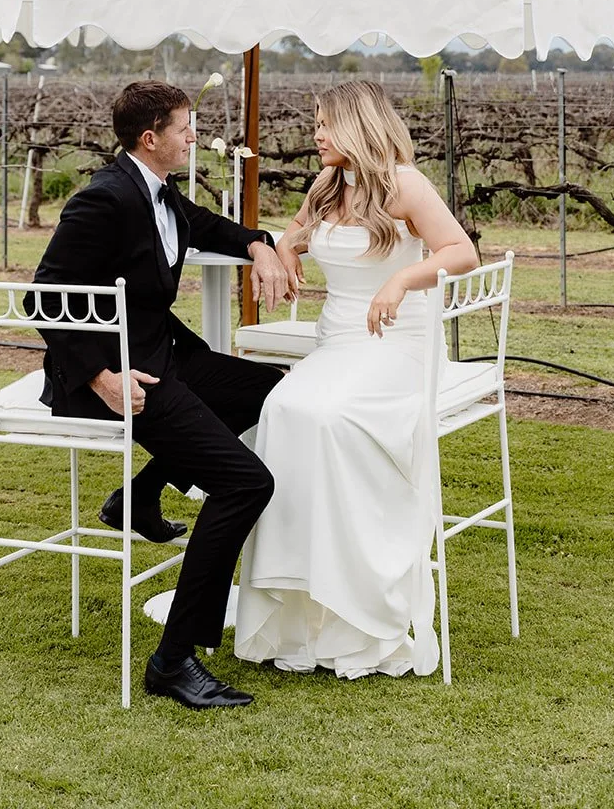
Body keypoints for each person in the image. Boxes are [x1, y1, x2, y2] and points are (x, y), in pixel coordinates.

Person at [31, 80, 294, 710]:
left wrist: (260, 244)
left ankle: (139, 496)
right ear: (151, 138)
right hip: (121, 379)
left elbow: (205, 225)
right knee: (246, 483)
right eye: (185, 128)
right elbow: (44, 297)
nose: (194, 137)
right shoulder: (104, 200)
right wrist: (103, 378)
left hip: (163, 355)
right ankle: (174, 660)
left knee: (270, 391)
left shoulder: (160, 192)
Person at [234, 79, 476, 679]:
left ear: (357, 125)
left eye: (324, 123)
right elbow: (292, 234)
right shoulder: (327, 185)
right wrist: (287, 251)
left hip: (396, 344)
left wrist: (400, 281)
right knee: (282, 412)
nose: (315, 134)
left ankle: (362, 595)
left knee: (328, 418)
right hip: (337, 343)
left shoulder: (403, 183)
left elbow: (461, 252)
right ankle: (301, 598)